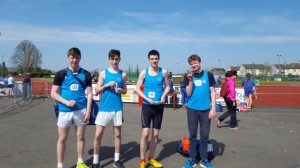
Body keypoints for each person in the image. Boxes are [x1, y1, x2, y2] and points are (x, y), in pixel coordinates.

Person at [51, 47, 93, 168]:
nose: (74, 60)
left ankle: (80, 161)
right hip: (64, 111)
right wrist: (66, 102)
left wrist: (88, 111)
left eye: (77, 58)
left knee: (80, 136)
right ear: (68, 58)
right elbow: (53, 93)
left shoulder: (86, 74)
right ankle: (60, 165)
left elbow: (89, 94)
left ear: (80, 58)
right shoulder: (61, 74)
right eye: (72, 57)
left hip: (81, 111)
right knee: (62, 138)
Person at [92, 49, 127, 168]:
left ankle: (117, 160)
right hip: (104, 108)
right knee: (98, 135)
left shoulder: (123, 74)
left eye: (116, 59)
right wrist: (107, 85)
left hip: (117, 108)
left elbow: (125, 90)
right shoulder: (103, 73)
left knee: (117, 134)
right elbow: (96, 90)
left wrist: (121, 90)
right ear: (109, 60)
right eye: (112, 59)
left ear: (119, 60)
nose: (114, 61)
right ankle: (96, 162)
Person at [135, 50, 170, 168]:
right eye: (152, 59)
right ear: (149, 59)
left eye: (156, 58)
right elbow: (137, 88)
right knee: (145, 133)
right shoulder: (144, 73)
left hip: (159, 107)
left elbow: (168, 86)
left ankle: (150, 158)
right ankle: (142, 160)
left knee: (155, 134)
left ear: (159, 58)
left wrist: (164, 96)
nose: (154, 60)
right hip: (147, 106)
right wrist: (146, 99)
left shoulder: (163, 72)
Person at [182, 54, 216, 168]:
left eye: (195, 63)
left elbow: (212, 92)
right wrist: (190, 80)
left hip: (206, 110)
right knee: (192, 135)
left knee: (204, 136)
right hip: (192, 109)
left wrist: (213, 109)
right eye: (191, 64)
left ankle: (204, 159)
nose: (193, 65)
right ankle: (191, 159)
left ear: (199, 62)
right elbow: (188, 93)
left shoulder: (208, 75)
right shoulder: (188, 76)